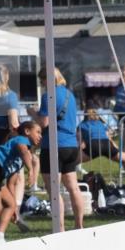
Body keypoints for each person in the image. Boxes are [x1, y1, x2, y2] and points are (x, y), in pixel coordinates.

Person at [31, 67, 84, 230]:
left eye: (42, 81)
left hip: (53, 146)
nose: (42, 84)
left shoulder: (49, 96)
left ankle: (60, 228)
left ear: (48, 79)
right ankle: (79, 225)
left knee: (54, 189)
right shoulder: (70, 95)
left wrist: (32, 112)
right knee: (73, 187)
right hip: (70, 145)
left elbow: (43, 122)